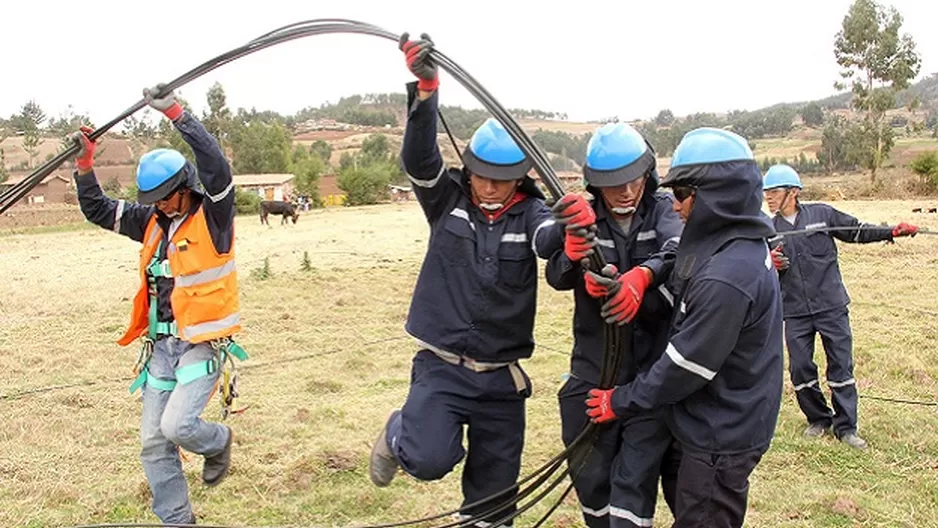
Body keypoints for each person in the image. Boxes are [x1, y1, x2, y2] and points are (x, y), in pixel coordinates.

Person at [367, 33, 558, 527]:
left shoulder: (534, 213)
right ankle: (396, 434)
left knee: (494, 504)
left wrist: (571, 236)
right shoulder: (447, 200)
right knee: (428, 458)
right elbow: (418, 160)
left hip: (501, 380)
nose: (490, 187)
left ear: (521, 176)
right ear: (468, 169)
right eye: (481, 175)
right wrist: (427, 90)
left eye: (503, 178)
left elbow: (548, 240)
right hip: (442, 369)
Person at [582, 128, 784, 528]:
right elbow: (681, 251)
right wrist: (643, 274)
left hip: (720, 436)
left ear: (713, 194)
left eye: (680, 196)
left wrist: (618, 401)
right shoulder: (732, 237)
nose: (673, 208)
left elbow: (684, 366)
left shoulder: (727, 278)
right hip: (706, 420)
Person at [71, 85, 244, 525]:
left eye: (167, 196)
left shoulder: (215, 216)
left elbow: (216, 165)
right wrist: (85, 165)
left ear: (184, 186)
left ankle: (218, 439)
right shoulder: (150, 219)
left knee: (178, 427)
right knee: (153, 442)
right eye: (154, 200)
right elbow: (97, 209)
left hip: (201, 344)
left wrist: (175, 113)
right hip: (162, 349)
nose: (162, 206)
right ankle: (177, 520)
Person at [543, 122, 683, 528]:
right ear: (594, 183)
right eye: (612, 184)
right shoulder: (582, 219)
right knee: (591, 477)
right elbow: (555, 274)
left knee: (634, 483)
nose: (625, 192)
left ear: (648, 173)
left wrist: (641, 278)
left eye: (633, 180)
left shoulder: (664, 209)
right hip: (592, 371)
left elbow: (678, 249)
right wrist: (573, 258)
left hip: (648, 377)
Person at [763, 164, 918, 450]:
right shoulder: (768, 230)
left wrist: (891, 232)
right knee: (800, 369)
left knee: (841, 367)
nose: (769, 198)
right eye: (766, 193)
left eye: (774, 192)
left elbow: (857, 232)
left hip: (831, 306)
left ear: (793, 192)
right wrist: (769, 263)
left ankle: (846, 428)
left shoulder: (823, 214)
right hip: (794, 311)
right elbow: (755, 266)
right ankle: (819, 419)